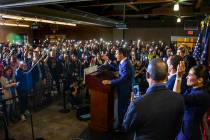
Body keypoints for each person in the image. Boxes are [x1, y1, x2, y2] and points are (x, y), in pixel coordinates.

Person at [123, 58, 184, 140]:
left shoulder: (137, 103)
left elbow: (126, 127)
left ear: (147, 75)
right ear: (166, 76)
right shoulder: (179, 99)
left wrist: (132, 103)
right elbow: (178, 127)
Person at [174, 63, 210, 140]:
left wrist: (178, 77)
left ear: (200, 80)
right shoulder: (192, 89)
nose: (187, 77)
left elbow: (176, 97)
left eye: (190, 75)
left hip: (189, 134)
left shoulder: (201, 95)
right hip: (183, 131)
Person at [102, 47, 134, 131]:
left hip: (124, 90)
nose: (115, 55)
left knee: (122, 110)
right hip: (123, 89)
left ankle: (122, 129)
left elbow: (123, 78)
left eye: (116, 53)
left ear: (121, 54)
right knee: (122, 109)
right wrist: (108, 60)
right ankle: (122, 126)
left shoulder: (126, 64)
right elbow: (117, 67)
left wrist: (110, 82)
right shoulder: (124, 62)